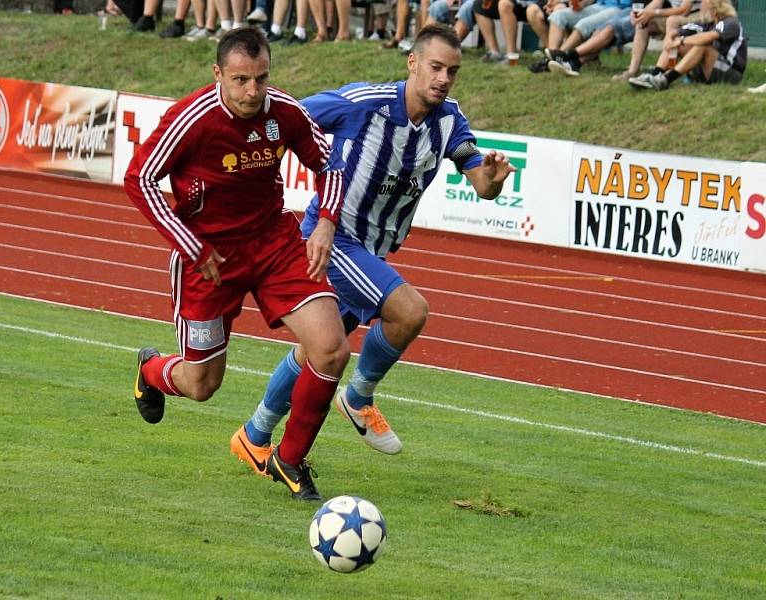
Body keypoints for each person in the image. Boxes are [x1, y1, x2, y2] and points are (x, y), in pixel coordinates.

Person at [230, 24, 516, 475]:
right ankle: (358, 397)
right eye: (436, 67)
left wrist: (494, 180)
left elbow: (481, 183)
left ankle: (254, 434)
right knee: (410, 311)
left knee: (318, 351)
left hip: (374, 249)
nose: (442, 78)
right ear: (413, 63)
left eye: (452, 72)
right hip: (334, 237)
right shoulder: (364, 104)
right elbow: (290, 120)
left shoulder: (449, 120)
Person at [125, 27, 349, 502]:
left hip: (274, 245)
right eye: (241, 80)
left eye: (261, 79)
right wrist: (191, 245)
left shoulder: (284, 111)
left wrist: (326, 221)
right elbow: (140, 178)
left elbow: (330, 165)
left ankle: (288, 458)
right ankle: (151, 370)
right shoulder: (191, 119)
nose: (253, 91)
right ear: (218, 74)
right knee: (202, 384)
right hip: (208, 259)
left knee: (331, 348)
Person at [627, 0, 745, 90]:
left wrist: (682, 40)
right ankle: (655, 75)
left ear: (715, 8)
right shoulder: (707, 23)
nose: (702, 6)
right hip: (712, 70)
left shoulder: (731, 22)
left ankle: (665, 80)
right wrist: (671, 37)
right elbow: (678, 31)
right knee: (677, 43)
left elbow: (709, 37)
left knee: (702, 46)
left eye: (704, 3)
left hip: (732, 74)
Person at [612, 0, 703, 81]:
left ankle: (666, 70)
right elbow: (657, 2)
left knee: (672, 21)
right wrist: (641, 15)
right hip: (677, 14)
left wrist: (653, 13)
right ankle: (632, 71)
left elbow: (684, 10)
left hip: (698, 15)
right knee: (643, 22)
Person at [529, 0, 631, 72]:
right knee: (558, 16)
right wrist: (582, 3)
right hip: (599, 6)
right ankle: (554, 58)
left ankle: (553, 59)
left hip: (620, 9)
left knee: (583, 24)